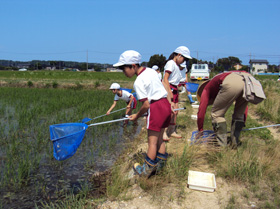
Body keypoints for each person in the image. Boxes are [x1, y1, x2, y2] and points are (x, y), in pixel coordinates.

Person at [113, 50, 172, 178]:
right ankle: (160, 165)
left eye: (124, 69)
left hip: (156, 107)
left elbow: (146, 105)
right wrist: (170, 103)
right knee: (160, 138)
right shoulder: (151, 71)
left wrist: (136, 116)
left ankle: (146, 171)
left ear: (133, 66)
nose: (124, 72)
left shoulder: (138, 82)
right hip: (165, 105)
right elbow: (162, 86)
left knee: (151, 142)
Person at [196, 71, 250, 148]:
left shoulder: (206, 89)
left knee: (217, 114)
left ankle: (221, 146)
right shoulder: (218, 81)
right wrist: (242, 121)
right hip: (248, 81)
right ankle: (234, 143)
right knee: (239, 115)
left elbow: (201, 111)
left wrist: (200, 130)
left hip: (234, 81)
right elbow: (244, 108)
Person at [162, 46, 192, 141]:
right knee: (168, 112)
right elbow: (165, 79)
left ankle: (172, 131)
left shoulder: (176, 65)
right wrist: (169, 92)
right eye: (184, 58)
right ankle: (163, 132)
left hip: (174, 89)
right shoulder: (170, 63)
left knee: (175, 111)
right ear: (179, 55)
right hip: (169, 88)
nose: (184, 61)